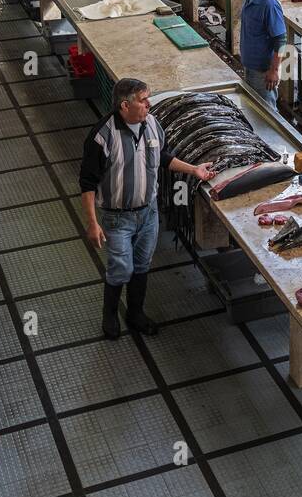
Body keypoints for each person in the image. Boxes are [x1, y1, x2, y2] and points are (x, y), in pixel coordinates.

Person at [80, 77, 216, 339]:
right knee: (121, 268)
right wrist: (92, 222)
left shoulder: (152, 124)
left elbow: (163, 157)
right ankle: (109, 316)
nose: (149, 104)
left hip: (148, 213)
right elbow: (87, 182)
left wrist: (194, 170)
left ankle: (135, 315)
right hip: (117, 217)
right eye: (143, 101)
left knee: (142, 265)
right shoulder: (101, 137)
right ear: (124, 105)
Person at [237, 0, 286, 110]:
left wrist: (274, 70)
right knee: (253, 109)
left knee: (269, 115)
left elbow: (281, 40)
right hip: (249, 66)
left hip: (263, 72)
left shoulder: (269, 4)